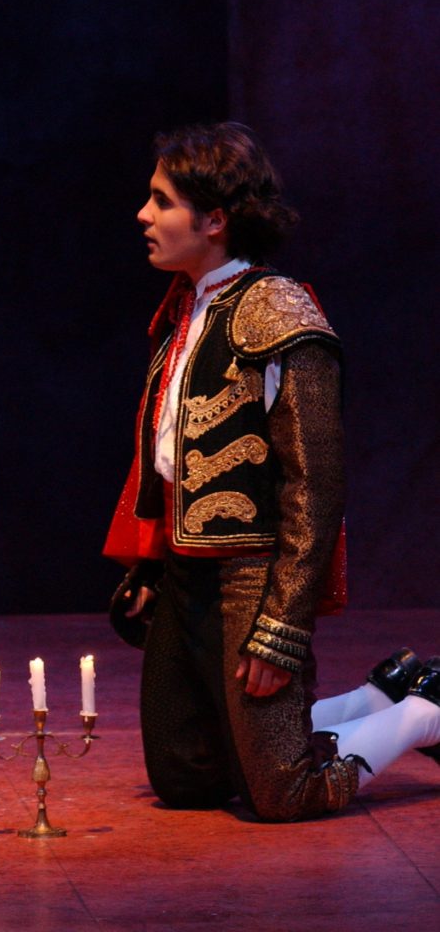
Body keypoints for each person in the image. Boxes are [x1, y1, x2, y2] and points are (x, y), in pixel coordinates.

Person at [103, 121, 439, 821]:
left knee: (282, 794)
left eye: (162, 201)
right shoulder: (186, 308)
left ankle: (423, 714)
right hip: (186, 569)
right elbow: (169, 450)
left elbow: (315, 484)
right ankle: (375, 697)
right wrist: (151, 564)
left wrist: (281, 624)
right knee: (186, 778)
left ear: (215, 220)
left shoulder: (279, 313)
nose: (143, 215)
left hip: (251, 574)